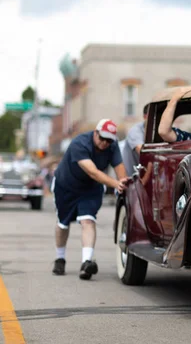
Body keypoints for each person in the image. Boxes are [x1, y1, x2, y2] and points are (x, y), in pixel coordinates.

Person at [51, 119, 128, 280]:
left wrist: (124, 185)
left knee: (88, 221)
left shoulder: (112, 146)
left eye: (109, 140)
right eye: (102, 138)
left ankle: (86, 263)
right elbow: (92, 171)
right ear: (95, 133)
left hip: (90, 189)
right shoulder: (80, 143)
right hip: (66, 187)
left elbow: (120, 170)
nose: (105, 143)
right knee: (62, 224)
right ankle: (60, 258)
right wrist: (116, 184)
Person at [122, 104, 149, 176]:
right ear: (145, 116)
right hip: (130, 179)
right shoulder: (135, 131)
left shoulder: (158, 132)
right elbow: (142, 151)